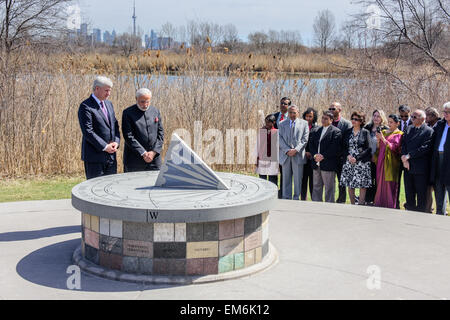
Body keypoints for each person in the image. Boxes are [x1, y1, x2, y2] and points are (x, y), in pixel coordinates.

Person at [78, 76, 120, 180]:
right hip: (94, 158)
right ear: (97, 88)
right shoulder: (86, 106)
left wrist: (116, 142)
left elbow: (115, 125)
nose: (108, 93)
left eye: (110, 90)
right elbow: (88, 131)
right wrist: (105, 147)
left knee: (110, 188)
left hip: (111, 157)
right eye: (106, 90)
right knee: (95, 190)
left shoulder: (109, 104)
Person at [122, 88, 164, 172]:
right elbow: (128, 136)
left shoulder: (155, 111)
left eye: (147, 101)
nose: (145, 104)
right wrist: (143, 153)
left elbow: (161, 134)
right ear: (136, 99)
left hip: (154, 160)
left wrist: (153, 152)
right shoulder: (128, 113)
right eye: (142, 101)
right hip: (134, 160)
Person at [401, 109, 434, 213]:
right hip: (408, 167)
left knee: (421, 196)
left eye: (415, 117)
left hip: (420, 169)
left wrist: (409, 156)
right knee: (409, 194)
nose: (412, 119)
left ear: (423, 119)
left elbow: (425, 148)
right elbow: (404, 144)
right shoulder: (409, 129)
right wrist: (404, 159)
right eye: (412, 116)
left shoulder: (429, 131)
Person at [308, 111, 342, 203]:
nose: (323, 120)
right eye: (322, 118)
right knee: (316, 186)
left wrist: (322, 156)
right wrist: (315, 155)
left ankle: (329, 207)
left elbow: (334, 148)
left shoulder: (336, 132)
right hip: (316, 162)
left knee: (329, 187)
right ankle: (316, 205)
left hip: (328, 164)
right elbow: (311, 145)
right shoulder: (316, 130)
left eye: (326, 119)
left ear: (331, 120)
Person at [340, 111, 372, 205]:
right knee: (350, 184)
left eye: (356, 119)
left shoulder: (365, 132)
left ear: (361, 121)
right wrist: (348, 156)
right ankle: (352, 204)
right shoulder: (347, 132)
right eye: (352, 119)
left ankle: (361, 204)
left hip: (362, 162)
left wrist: (357, 158)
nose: (353, 121)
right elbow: (343, 147)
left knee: (362, 184)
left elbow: (369, 148)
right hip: (349, 161)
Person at [279, 105, 309, 200]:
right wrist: (287, 150)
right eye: (290, 112)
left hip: (298, 155)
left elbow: (305, 139)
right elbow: (279, 138)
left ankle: (296, 197)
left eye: (294, 113)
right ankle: (286, 197)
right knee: (286, 178)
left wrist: (296, 150)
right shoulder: (282, 123)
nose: (292, 115)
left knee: (298, 178)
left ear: (298, 113)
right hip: (286, 155)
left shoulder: (304, 123)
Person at [373, 115, 403, 209]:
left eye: (391, 122)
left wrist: (383, 139)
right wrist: (378, 140)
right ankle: (379, 203)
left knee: (390, 184)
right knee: (380, 182)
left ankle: (390, 205)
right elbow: (379, 147)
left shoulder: (400, 134)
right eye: (388, 122)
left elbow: (395, 148)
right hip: (381, 160)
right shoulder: (384, 132)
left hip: (391, 163)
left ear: (397, 123)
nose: (389, 124)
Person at [364, 109, 389, 205]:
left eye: (378, 116)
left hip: (379, 159)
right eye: (374, 115)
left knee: (377, 180)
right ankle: (368, 199)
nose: (376, 118)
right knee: (368, 179)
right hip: (367, 158)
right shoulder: (367, 128)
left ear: (382, 117)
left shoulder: (385, 129)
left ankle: (377, 200)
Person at [329, 102, 352, 203]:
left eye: (333, 109)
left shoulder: (346, 124)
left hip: (341, 157)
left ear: (340, 110)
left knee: (341, 180)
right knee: (330, 180)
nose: (331, 110)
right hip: (330, 156)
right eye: (330, 108)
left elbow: (348, 141)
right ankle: (330, 199)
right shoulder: (327, 122)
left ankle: (341, 199)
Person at [430, 102, 450, 215]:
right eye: (444, 112)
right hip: (438, 158)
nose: (445, 114)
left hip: (448, 161)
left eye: (448, 112)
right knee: (438, 187)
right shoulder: (440, 124)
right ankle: (440, 213)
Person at [272, 97, 291, 198]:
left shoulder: (291, 118)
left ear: (289, 106)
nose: (283, 105)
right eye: (282, 103)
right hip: (274, 150)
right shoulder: (274, 117)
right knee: (274, 172)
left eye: (285, 104)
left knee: (285, 173)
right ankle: (274, 192)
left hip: (285, 150)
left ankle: (283, 193)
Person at [425, 107, 441, 212]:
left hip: (438, 162)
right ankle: (428, 208)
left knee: (438, 188)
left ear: (433, 116)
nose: (425, 117)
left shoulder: (440, 126)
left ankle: (441, 209)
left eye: (427, 115)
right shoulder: (427, 127)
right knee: (428, 187)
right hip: (428, 162)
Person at [396, 104, 412, 209]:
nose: (404, 118)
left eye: (406, 116)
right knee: (396, 182)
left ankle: (409, 204)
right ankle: (395, 203)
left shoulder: (413, 122)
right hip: (397, 157)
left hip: (408, 157)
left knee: (408, 183)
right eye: (402, 116)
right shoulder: (396, 122)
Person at [257, 114, 279, 186]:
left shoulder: (276, 132)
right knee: (262, 179)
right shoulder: (262, 131)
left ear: (274, 122)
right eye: (266, 122)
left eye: (269, 122)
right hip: (262, 158)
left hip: (273, 159)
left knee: (272, 179)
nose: (267, 124)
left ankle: (273, 194)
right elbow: (258, 145)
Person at [302, 107, 318, 201]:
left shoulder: (317, 128)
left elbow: (317, 144)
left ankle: (313, 200)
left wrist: (312, 153)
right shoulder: (301, 126)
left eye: (310, 116)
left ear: (314, 117)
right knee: (303, 180)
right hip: (302, 157)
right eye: (306, 116)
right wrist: (304, 152)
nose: (308, 118)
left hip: (313, 158)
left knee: (313, 181)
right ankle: (303, 199)